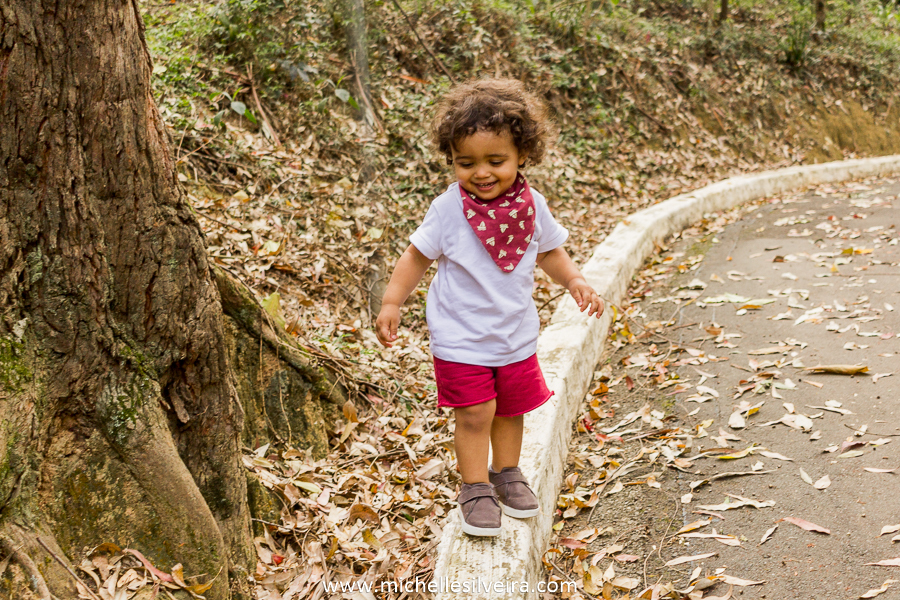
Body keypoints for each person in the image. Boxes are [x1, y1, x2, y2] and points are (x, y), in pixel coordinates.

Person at [375, 78, 604, 537]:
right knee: (475, 413)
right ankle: (475, 486)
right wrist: (392, 300)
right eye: (467, 162)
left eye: (495, 161)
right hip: (460, 336)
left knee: (511, 409)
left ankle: (507, 472)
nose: (481, 172)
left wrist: (576, 280)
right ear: (452, 161)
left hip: (514, 333)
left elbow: (550, 252)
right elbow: (416, 255)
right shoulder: (447, 209)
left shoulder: (532, 206)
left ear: (522, 155)